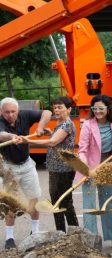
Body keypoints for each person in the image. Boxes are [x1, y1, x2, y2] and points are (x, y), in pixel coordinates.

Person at [19, 96, 79, 232]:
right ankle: (61, 232)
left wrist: (27, 141)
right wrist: (50, 133)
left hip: (64, 169)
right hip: (55, 169)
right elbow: (57, 140)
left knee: (65, 202)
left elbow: (53, 143)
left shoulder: (67, 124)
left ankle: (75, 232)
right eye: (55, 107)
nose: (56, 110)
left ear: (69, 109)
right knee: (56, 202)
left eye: (60, 107)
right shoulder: (61, 124)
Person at [76, 94, 112, 248]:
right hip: (91, 167)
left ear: (108, 109)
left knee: (111, 201)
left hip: (109, 165)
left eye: (101, 108)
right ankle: (91, 240)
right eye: (95, 108)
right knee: (90, 205)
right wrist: (86, 169)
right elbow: (83, 150)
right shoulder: (88, 124)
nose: (98, 111)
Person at [0, 97, 52, 249]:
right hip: (8, 167)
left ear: (18, 111)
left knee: (33, 199)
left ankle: (34, 232)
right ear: (1, 112)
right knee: (11, 202)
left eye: (13, 111)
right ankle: (9, 238)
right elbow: (1, 134)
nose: (10, 115)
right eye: (7, 112)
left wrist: (40, 127)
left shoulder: (25, 115)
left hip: (27, 165)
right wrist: (11, 136)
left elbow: (47, 112)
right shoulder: (1, 121)